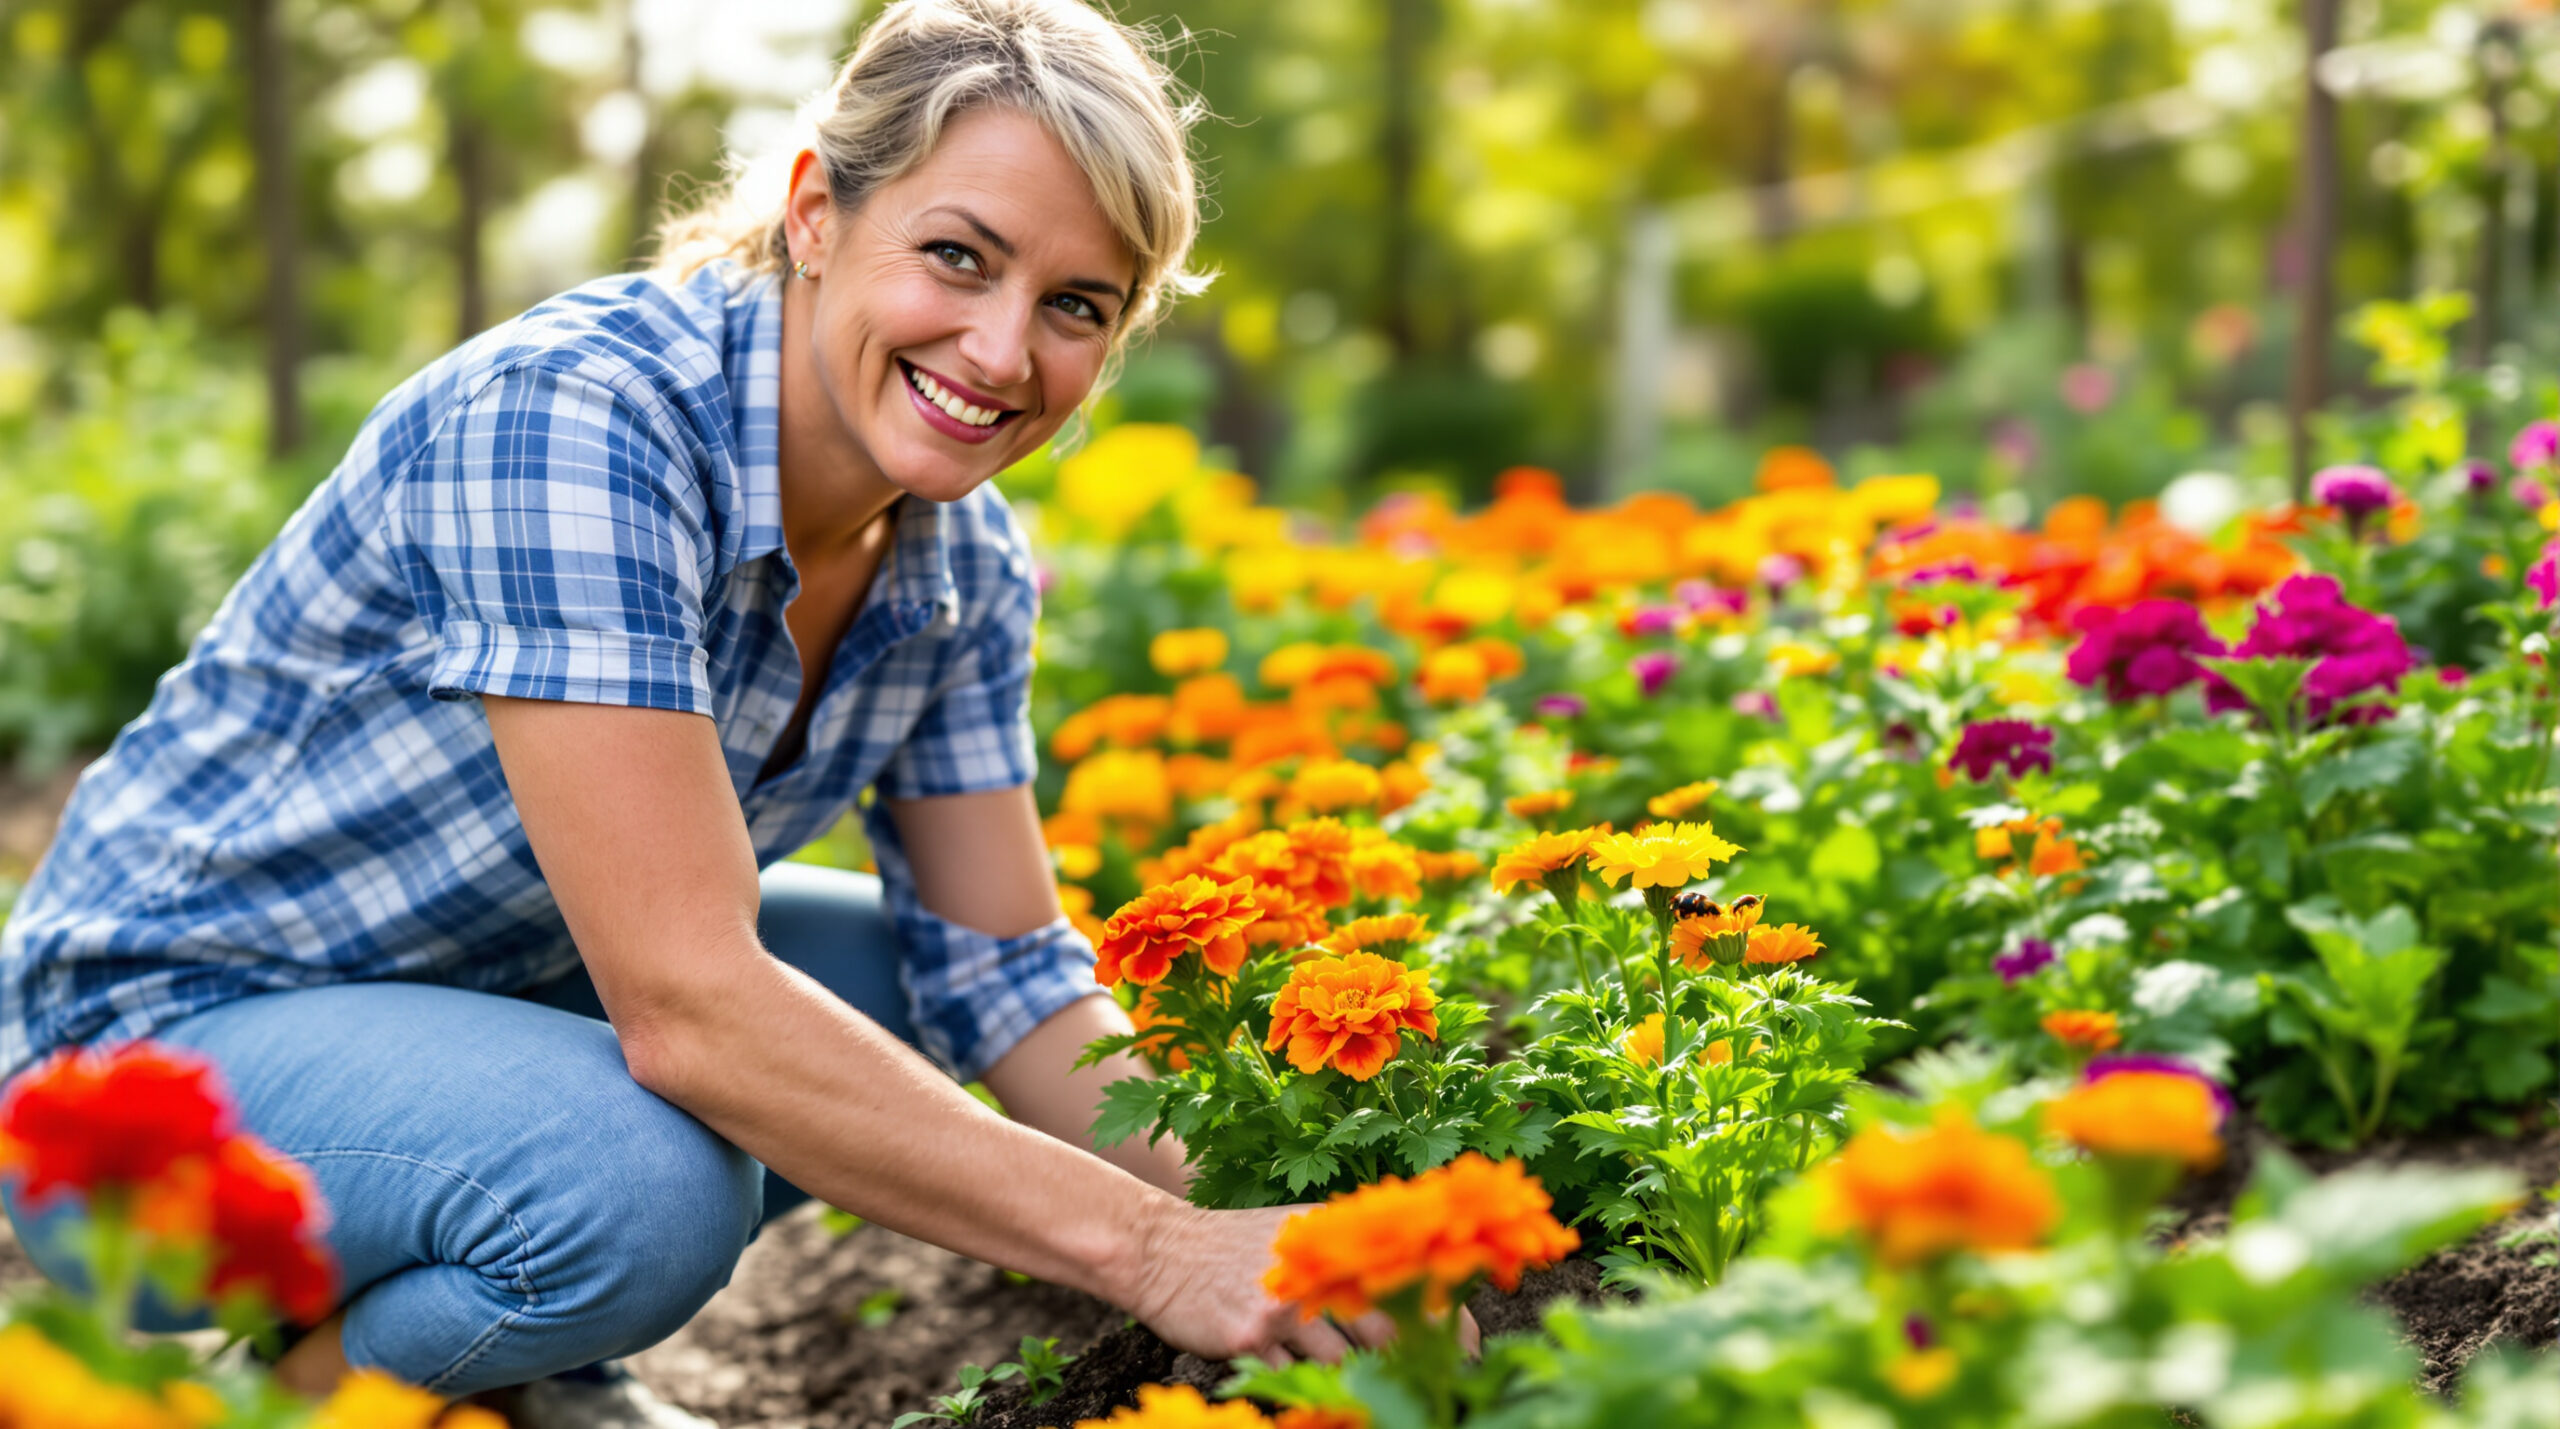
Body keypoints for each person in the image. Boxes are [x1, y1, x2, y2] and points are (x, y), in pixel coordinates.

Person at [0, 2, 1427, 1422]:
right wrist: (1157, 1251)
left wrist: (1288, 1236)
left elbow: (1000, 970)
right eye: (957, 256)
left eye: (1076, 305)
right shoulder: (574, 421)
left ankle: (508, 1349)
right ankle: (318, 1401)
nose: (1002, 353)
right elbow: (688, 1008)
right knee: (641, 1186)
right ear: (815, 212)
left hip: (464, 1002)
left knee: (892, 972)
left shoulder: (961, 568)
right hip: (141, 1073)